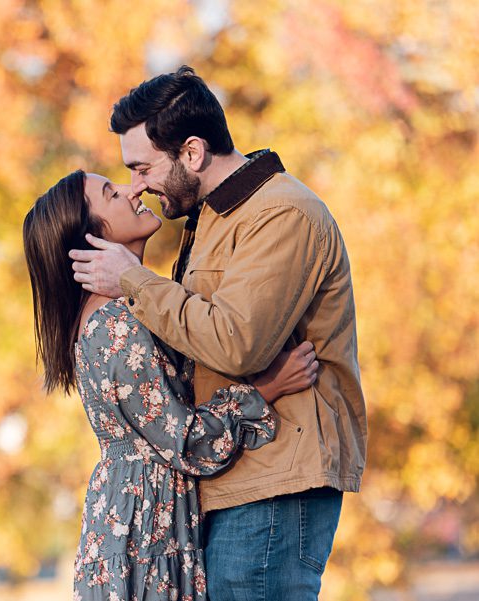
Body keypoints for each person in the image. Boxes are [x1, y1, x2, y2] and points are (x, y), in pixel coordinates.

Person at [69, 66, 367, 600]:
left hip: (276, 478)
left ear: (191, 153)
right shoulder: (212, 221)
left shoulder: (281, 213)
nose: (137, 187)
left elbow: (237, 343)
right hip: (231, 478)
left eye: (141, 168)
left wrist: (133, 280)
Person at [23, 169, 319, 600]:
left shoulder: (123, 312)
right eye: (112, 192)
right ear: (91, 237)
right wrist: (267, 389)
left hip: (146, 522)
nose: (132, 189)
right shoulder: (116, 324)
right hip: (145, 534)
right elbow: (185, 442)